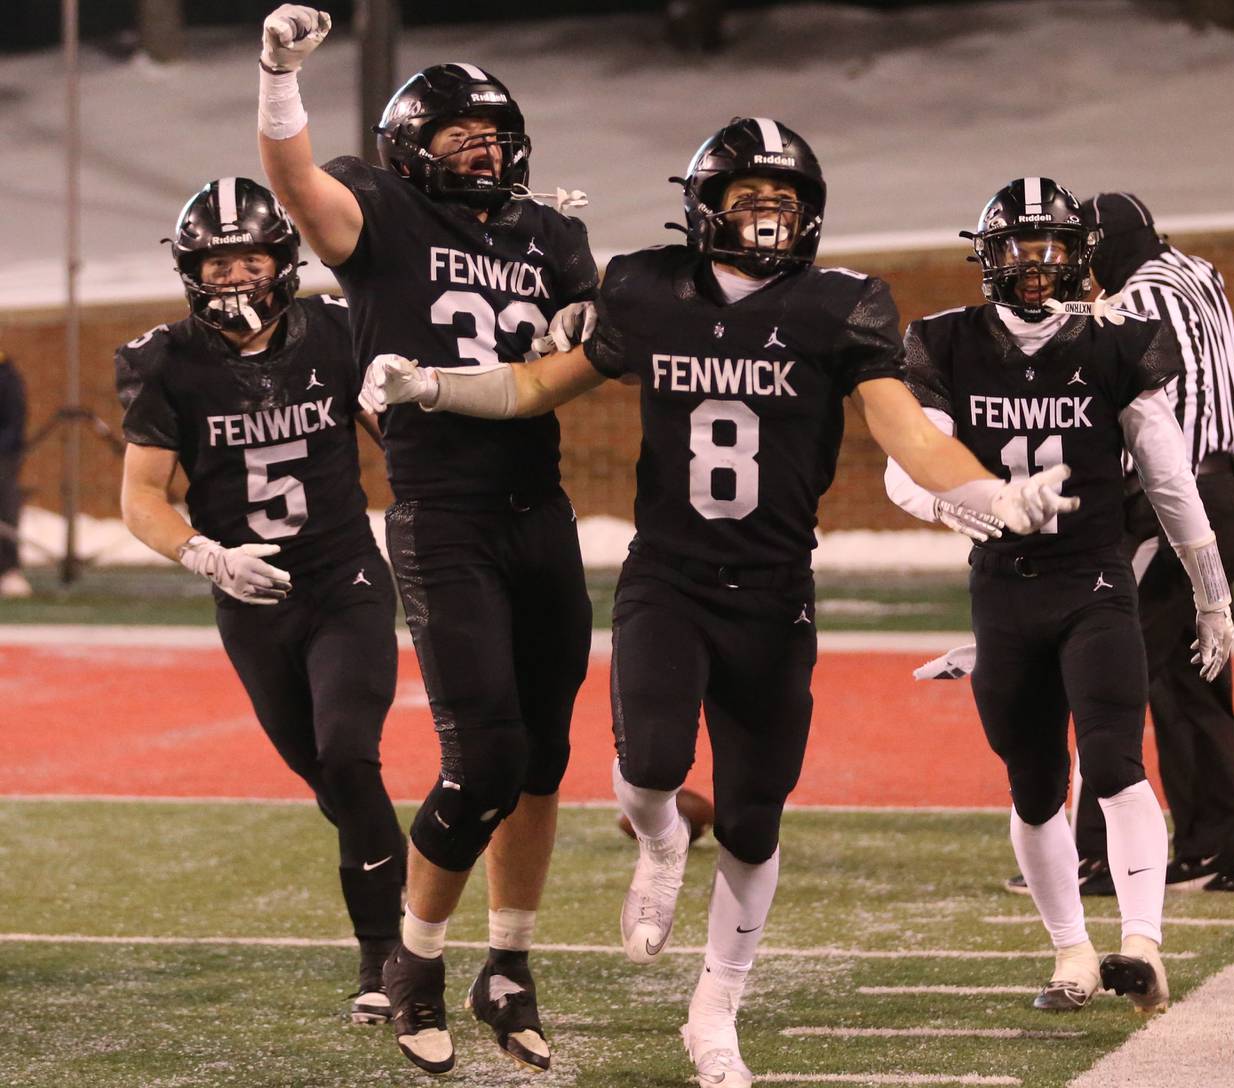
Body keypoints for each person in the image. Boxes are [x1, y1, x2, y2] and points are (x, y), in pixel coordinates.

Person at [361, 117, 1073, 1087]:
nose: (768, 217)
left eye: (784, 201)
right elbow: (535, 386)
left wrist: (993, 494)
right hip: (670, 575)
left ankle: (715, 1014)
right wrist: (434, 387)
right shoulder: (650, 289)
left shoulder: (843, 304)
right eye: (748, 200)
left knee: (754, 815)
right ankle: (660, 839)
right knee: (648, 767)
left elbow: (907, 434)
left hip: (775, 589)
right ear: (704, 209)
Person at [256, 6, 601, 1075]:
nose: (482, 151)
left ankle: (512, 964)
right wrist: (278, 79)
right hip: (442, 516)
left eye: (493, 135)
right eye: (459, 136)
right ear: (413, 147)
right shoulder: (382, 210)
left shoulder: (549, 235)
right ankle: (414, 960)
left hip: (539, 510)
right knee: (485, 755)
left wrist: (582, 320)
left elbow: (583, 342)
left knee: (543, 759)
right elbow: (296, 187)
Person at [885, 177, 1234, 1016]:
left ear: (1080, 255)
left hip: (1094, 580)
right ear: (990, 256)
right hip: (1003, 588)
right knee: (1034, 784)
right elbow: (906, 473)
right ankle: (1071, 953)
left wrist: (1211, 594)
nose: (1037, 264)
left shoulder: (1117, 342)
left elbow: (1170, 479)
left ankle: (1142, 945)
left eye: (1053, 247)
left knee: (1114, 761)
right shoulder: (946, 342)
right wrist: (971, 506)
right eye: (1021, 247)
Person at [115, 177, 406, 1023]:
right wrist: (205, 555)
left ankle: (387, 957)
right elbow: (141, 497)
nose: (235, 278)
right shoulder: (166, 360)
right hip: (249, 599)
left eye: (249, 260)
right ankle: (399, 890)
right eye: (218, 264)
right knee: (327, 782)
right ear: (191, 272)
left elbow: (405, 442)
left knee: (349, 755)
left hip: (344, 579)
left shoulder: (338, 331)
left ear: (282, 261)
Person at [1061, 193, 1234, 895]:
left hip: (1176, 506)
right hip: (1232, 495)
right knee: (1195, 675)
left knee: (1113, 673)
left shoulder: (1134, 301)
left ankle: (1093, 854)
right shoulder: (1200, 272)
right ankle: (1220, 845)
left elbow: (1140, 410)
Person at [0, 349, 30, 598]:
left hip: (3, 456)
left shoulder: (6, 374)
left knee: (5, 507)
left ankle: (8, 569)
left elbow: (14, 424)